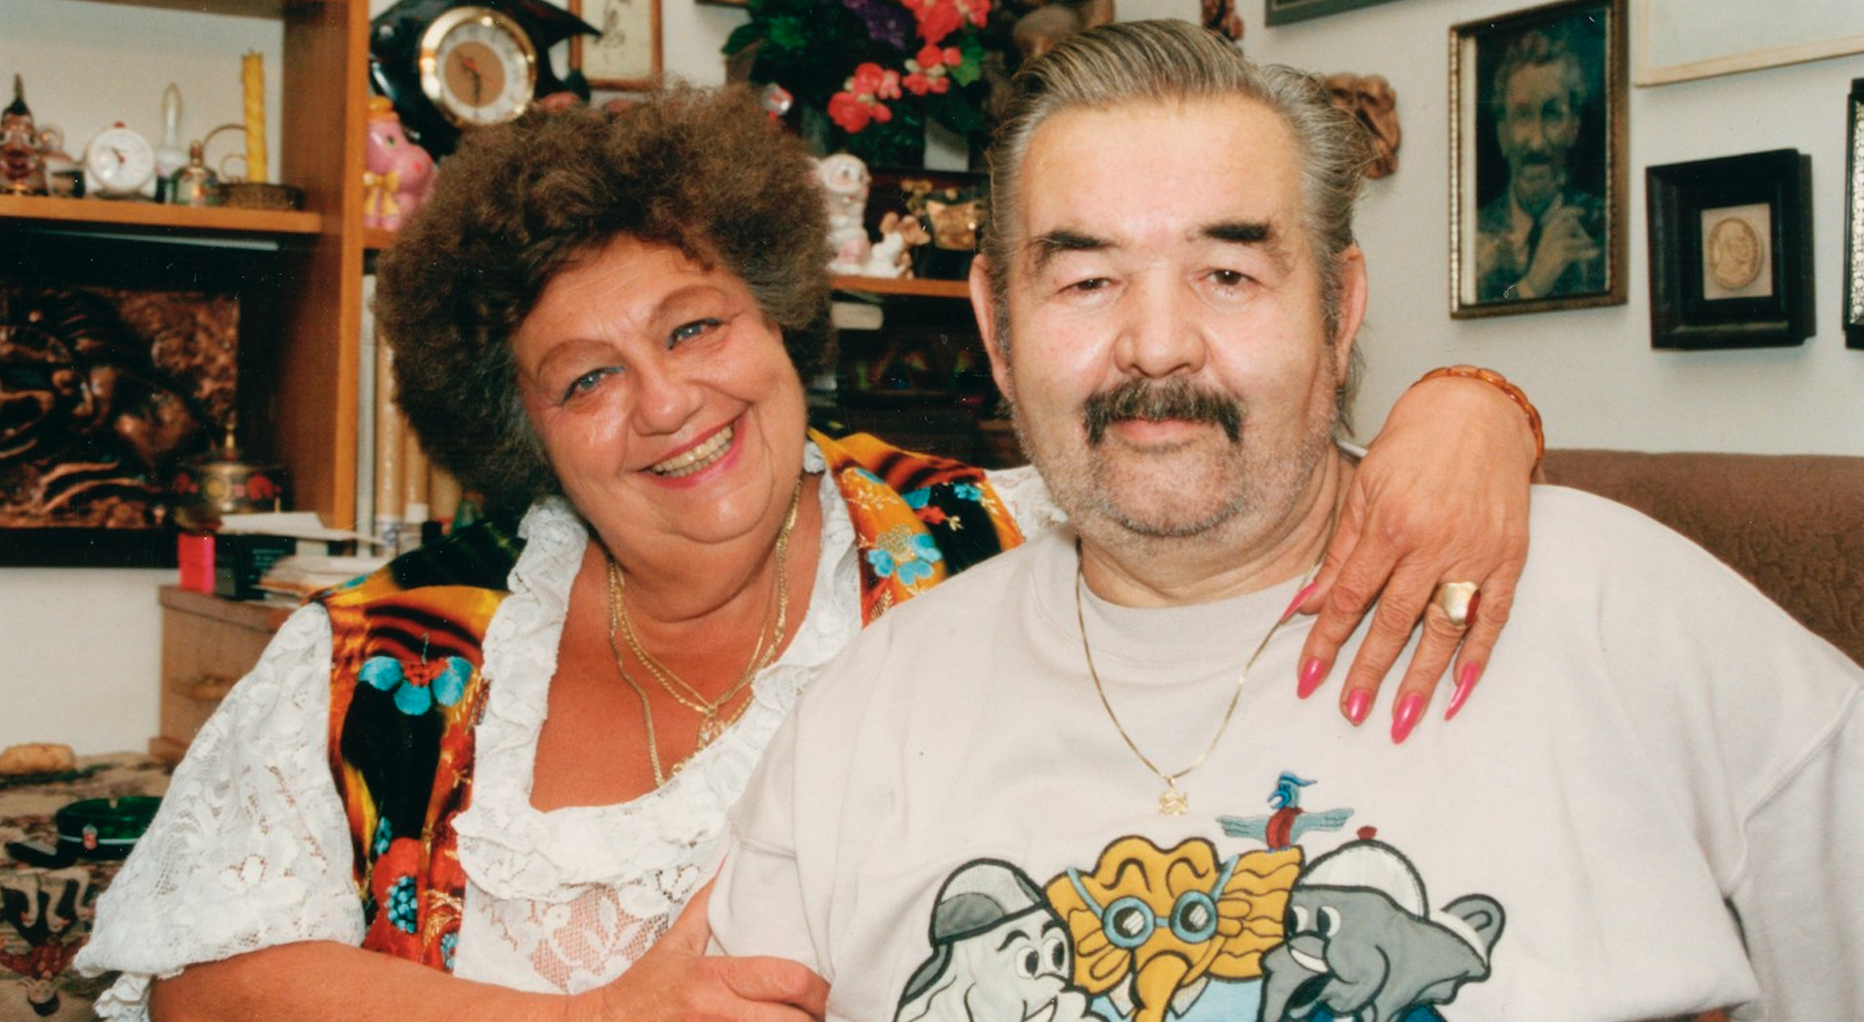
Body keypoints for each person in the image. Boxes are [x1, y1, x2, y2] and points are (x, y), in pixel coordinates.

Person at [74, 85, 1542, 1020]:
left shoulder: (1002, 536)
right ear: (522, 430)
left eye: (696, 326)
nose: (667, 404)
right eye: (587, 378)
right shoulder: (385, 652)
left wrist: (1475, 405)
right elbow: (200, 982)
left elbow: (1247, 472)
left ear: (780, 315)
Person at [708, 21, 1864, 1022]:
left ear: (1339, 310)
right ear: (997, 330)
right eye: (1087, 280)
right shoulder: (865, 719)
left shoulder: (1625, 615)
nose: (1157, 345)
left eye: (1227, 274)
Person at [1473, 26, 1605, 303]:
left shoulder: (1604, 227)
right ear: (1502, 132)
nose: (1537, 143)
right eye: (1522, 116)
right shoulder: (1472, 233)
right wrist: (1531, 285)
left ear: (1574, 128)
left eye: (1553, 114)